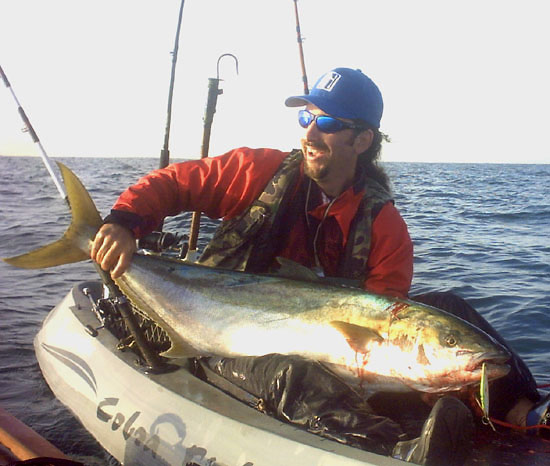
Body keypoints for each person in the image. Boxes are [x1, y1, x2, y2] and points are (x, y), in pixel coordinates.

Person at [91, 67, 548, 464]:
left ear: (363, 140)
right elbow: (177, 183)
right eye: (305, 117)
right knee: (294, 373)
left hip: (334, 353)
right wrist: (123, 222)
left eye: (326, 121)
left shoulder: (384, 226)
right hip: (218, 333)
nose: (309, 133)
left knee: (451, 307)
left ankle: (526, 413)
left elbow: (382, 321)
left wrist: (434, 380)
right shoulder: (260, 170)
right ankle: (392, 450)